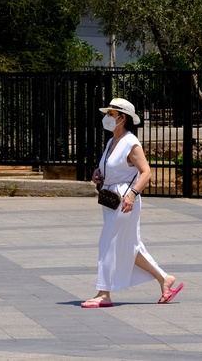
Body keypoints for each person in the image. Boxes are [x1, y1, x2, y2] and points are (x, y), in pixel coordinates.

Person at [81, 97, 184, 308]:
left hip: (124, 198)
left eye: (111, 114)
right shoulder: (112, 141)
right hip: (111, 198)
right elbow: (113, 169)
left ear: (122, 118)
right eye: (107, 114)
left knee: (108, 243)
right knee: (129, 246)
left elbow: (146, 172)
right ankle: (164, 279)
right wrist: (99, 174)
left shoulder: (130, 142)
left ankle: (104, 293)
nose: (107, 118)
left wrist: (132, 194)